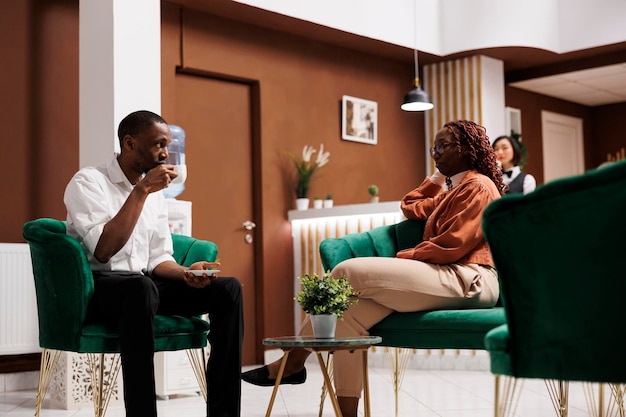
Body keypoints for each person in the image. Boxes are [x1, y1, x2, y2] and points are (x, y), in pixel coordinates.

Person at [242, 119, 505, 417]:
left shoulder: (478, 186)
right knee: (347, 317)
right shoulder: (453, 189)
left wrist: (402, 258)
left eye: (443, 146)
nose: (436, 152)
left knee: (346, 271)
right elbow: (411, 204)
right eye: (434, 147)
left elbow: (452, 245)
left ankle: (292, 362)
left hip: (471, 278)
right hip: (449, 275)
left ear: (466, 149)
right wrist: (438, 172)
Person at [64, 110, 243, 417]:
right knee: (139, 287)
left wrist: (185, 273)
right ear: (130, 143)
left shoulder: (155, 195)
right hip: (101, 288)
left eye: (168, 145)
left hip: (144, 286)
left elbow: (158, 258)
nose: (165, 153)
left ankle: (224, 414)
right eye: (159, 144)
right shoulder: (89, 182)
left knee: (228, 289)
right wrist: (142, 190)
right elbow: (104, 250)